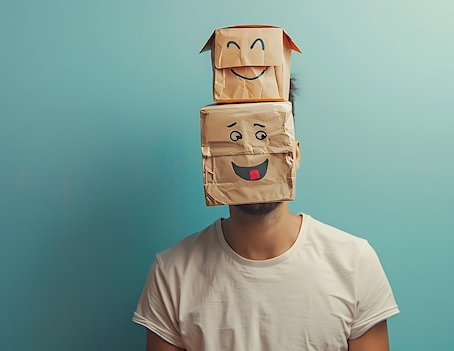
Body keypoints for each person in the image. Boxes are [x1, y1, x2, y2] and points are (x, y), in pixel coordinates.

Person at [133, 80, 400, 351]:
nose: (250, 154)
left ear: (293, 154)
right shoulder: (171, 273)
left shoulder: (354, 263)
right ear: (212, 157)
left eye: (263, 136)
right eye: (235, 139)